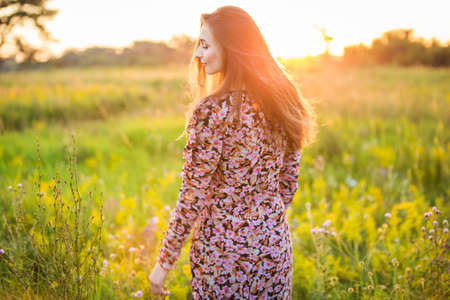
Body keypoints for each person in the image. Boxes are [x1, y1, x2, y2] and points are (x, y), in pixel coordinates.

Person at [148, 5, 316, 299]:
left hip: (221, 257)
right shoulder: (284, 104)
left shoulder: (212, 112)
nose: (198, 54)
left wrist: (163, 264)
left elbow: (192, 195)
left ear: (231, 48)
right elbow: (288, 187)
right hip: (272, 250)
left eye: (204, 44)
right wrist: (260, 221)